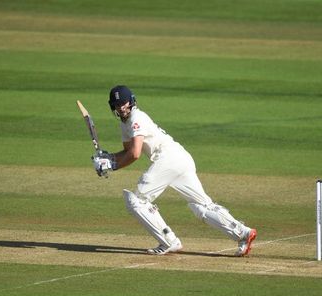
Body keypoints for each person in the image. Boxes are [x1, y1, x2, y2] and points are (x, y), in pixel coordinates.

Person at [91, 85, 257, 256]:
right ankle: (243, 233)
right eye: (117, 104)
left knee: (137, 200)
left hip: (168, 158)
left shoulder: (136, 118)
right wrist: (109, 158)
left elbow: (135, 154)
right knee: (201, 207)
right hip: (180, 158)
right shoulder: (125, 124)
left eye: (123, 103)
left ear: (131, 101)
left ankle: (169, 241)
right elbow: (128, 151)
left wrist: (113, 165)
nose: (121, 107)